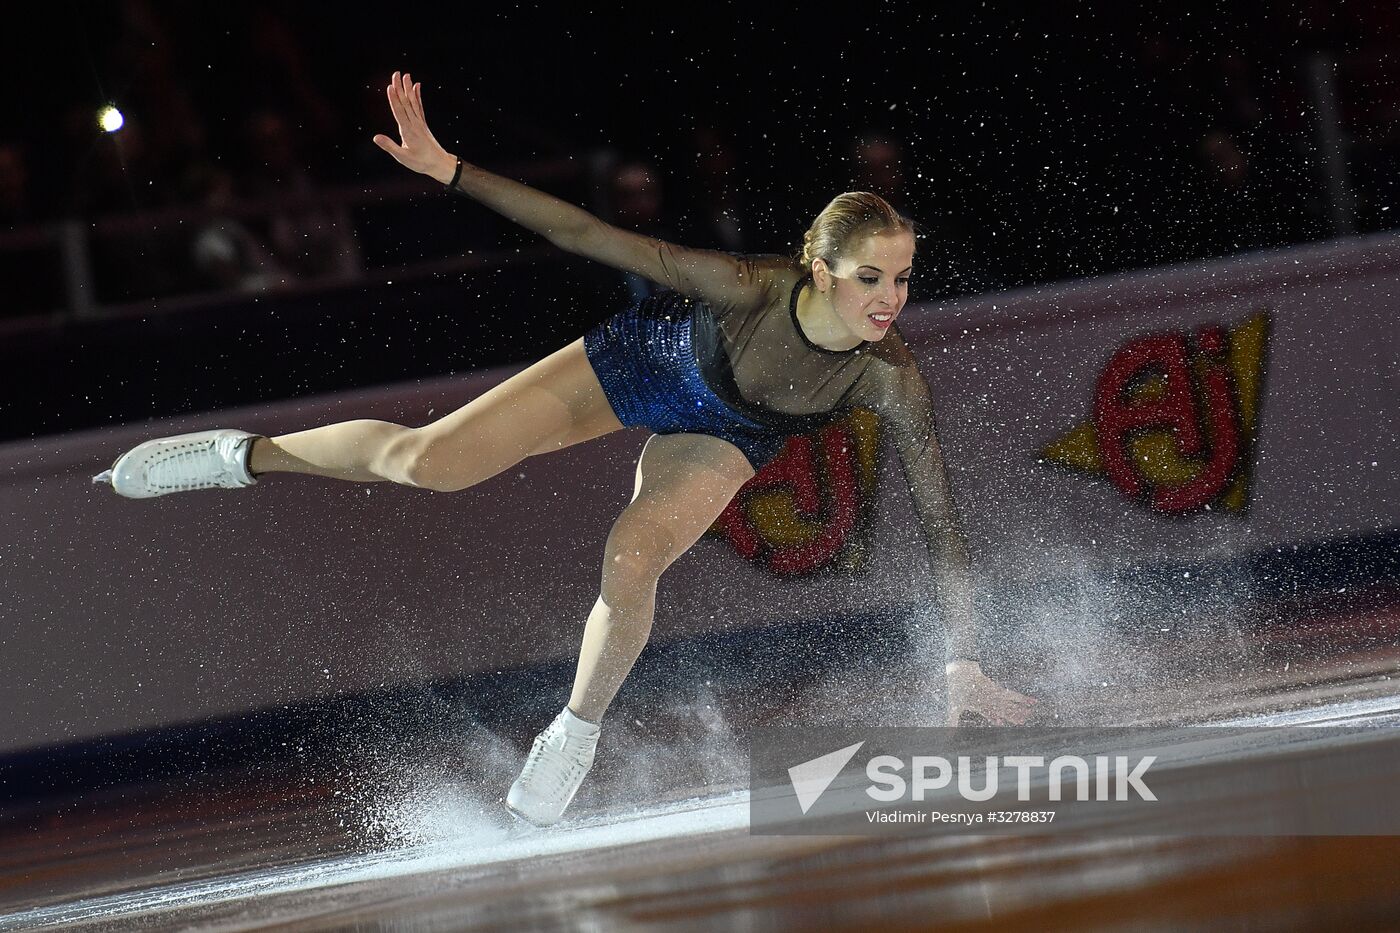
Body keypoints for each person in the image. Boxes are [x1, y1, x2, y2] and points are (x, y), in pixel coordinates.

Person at [93, 72, 1037, 827]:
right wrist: (449, 169)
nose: (890, 298)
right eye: (869, 276)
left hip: (727, 432)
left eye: (903, 278)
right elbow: (587, 232)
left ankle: (574, 732)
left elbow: (940, 517)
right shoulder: (751, 284)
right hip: (642, 362)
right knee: (430, 463)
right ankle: (241, 455)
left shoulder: (887, 375)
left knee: (632, 555)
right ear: (818, 268)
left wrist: (962, 657)